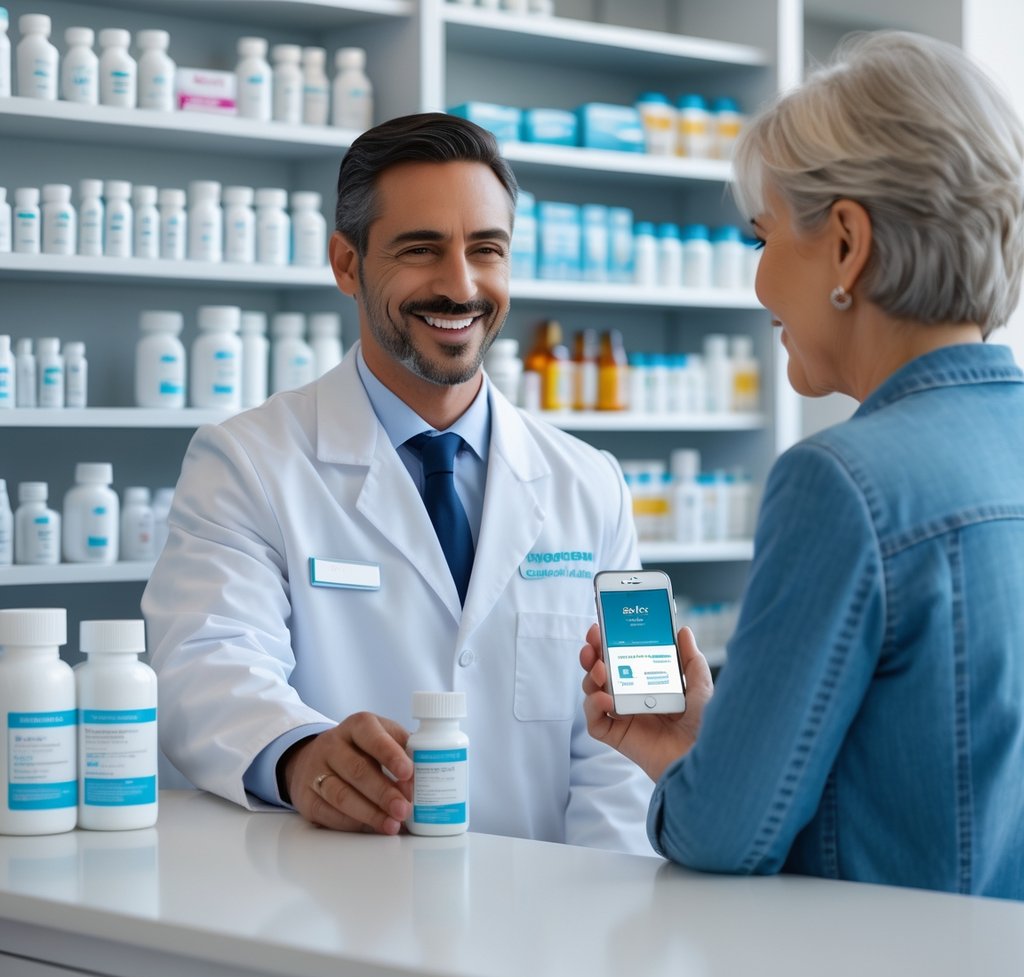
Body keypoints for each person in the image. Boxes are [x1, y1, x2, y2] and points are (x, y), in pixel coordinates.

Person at [580, 31, 1024, 898]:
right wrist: (711, 743)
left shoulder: (844, 483)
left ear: (847, 248)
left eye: (764, 239)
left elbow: (723, 834)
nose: (758, 285)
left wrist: (692, 786)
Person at [142, 112, 654, 853]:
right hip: (342, 910)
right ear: (347, 264)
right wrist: (299, 752)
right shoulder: (249, 462)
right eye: (422, 250)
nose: (461, 285)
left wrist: (598, 917)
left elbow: (623, 745)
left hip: (553, 925)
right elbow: (206, 662)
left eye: (487, 250)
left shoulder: (590, 483)